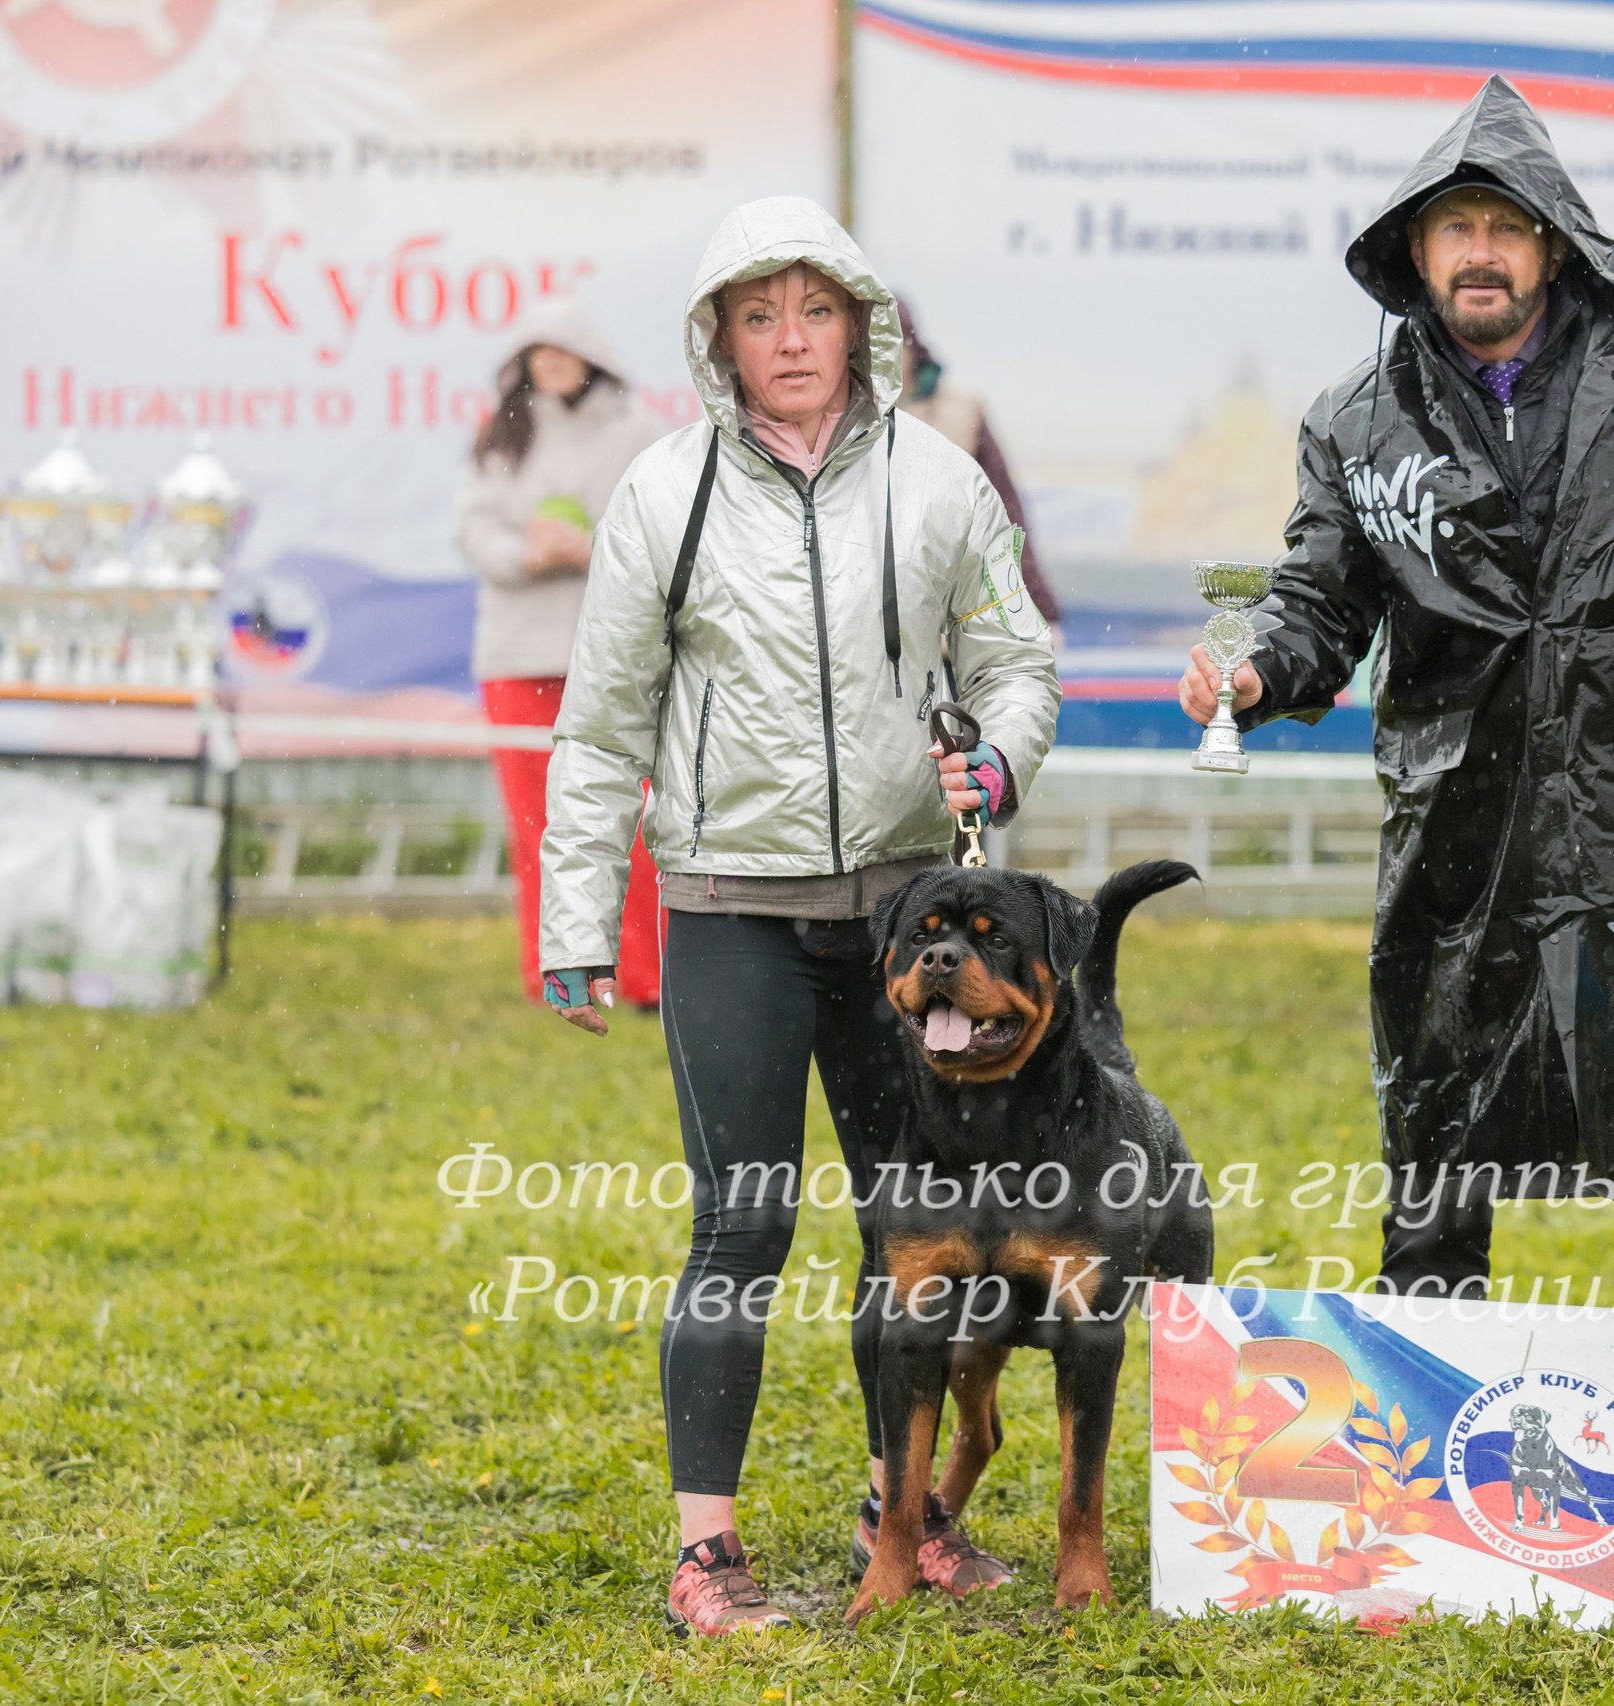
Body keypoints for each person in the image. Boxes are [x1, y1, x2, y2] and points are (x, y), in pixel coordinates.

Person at [1178, 77, 1614, 1609]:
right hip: (1454, 859)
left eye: (1508, 224)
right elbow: (1315, 602)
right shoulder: (1358, 426)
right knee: (1435, 1168)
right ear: (1418, 252)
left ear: (1559, 245)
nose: (1484, 252)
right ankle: (1432, 1492)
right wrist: (1255, 668)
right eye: (1457, 227)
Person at [539, 196, 1060, 1635]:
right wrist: (576, 920)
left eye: (813, 310)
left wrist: (1003, 752)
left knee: (917, 1231)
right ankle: (705, 1555)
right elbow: (598, 733)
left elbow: (1021, 659)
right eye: (757, 315)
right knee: (742, 1225)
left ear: (860, 326)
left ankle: (902, 1516)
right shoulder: (663, 492)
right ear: (718, 339)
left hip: (908, 924)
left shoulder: (945, 483)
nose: (789, 341)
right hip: (725, 911)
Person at [457, 296, 666, 1005]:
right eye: (535, 350)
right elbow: (475, 531)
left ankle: (641, 978)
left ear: (591, 356)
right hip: (517, 658)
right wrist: (527, 552)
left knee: (628, 824)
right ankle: (554, 978)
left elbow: (659, 528)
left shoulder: (638, 430)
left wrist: (593, 547)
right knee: (535, 826)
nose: (548, 361)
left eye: (562, 347)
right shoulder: (500, 431)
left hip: (611, 657)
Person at [898, 309, 1060, 623]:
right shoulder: (843, 418)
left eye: (896, 345)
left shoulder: (963, 413)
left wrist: (1038, 606)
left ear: (913, 349)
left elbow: (1005, 511)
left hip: (954, 615)